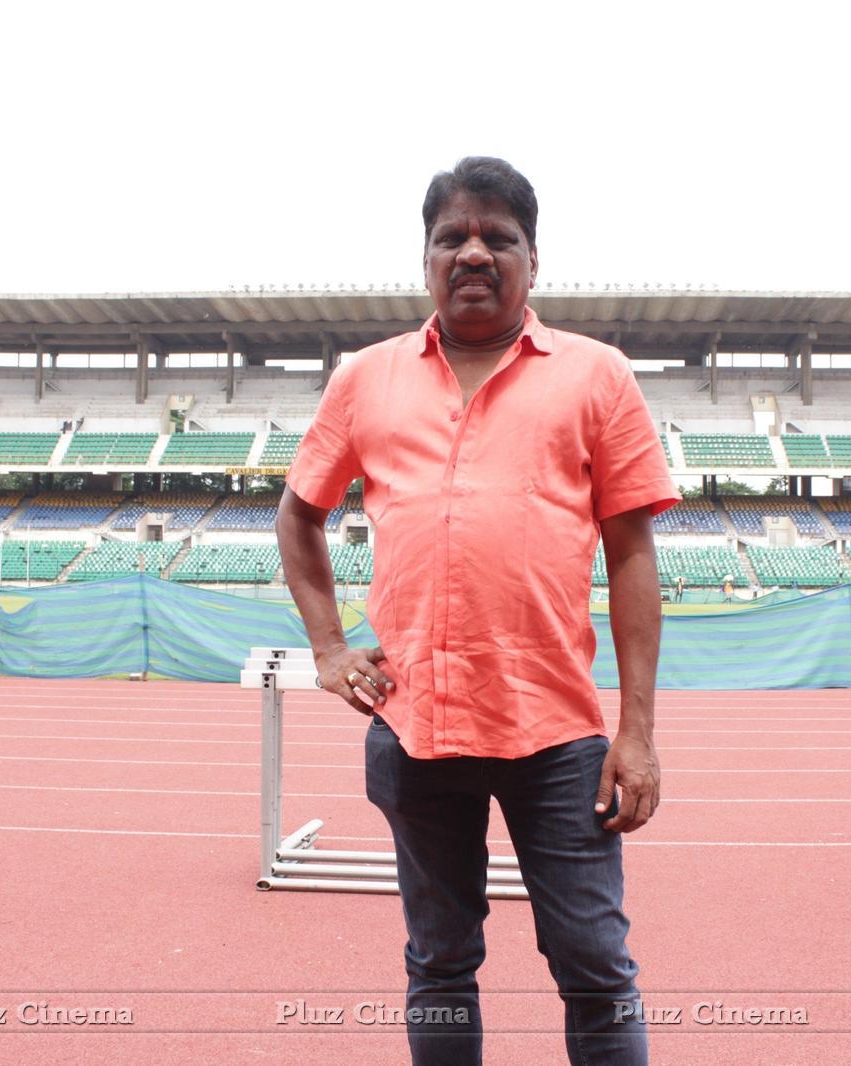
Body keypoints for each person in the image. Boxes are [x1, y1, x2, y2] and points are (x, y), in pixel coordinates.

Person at [276, 156, 677, 1066]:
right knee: (440, 964)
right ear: (424, 258)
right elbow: (299, 514)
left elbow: (632, 554)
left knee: (593, 964)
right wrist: (331, 647)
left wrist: (639, 732)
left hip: (559, 737)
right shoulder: (366, 380)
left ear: (534, 261)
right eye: (451, 235)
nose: (473, 252)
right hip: (416, 725)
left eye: (499, 237)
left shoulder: (597, 376)